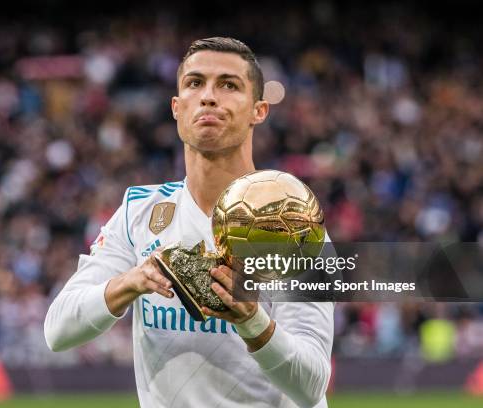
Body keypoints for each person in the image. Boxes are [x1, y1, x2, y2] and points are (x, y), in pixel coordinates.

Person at [44, 37, 334, 408]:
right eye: (195, 83)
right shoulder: (139, 211)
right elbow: (58, 331)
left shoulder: (293, 221)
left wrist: (251, 320)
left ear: (259, 111)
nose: (209, 96)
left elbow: (311, 385)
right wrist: (131, 281)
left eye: (229, 85)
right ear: (177, 108)